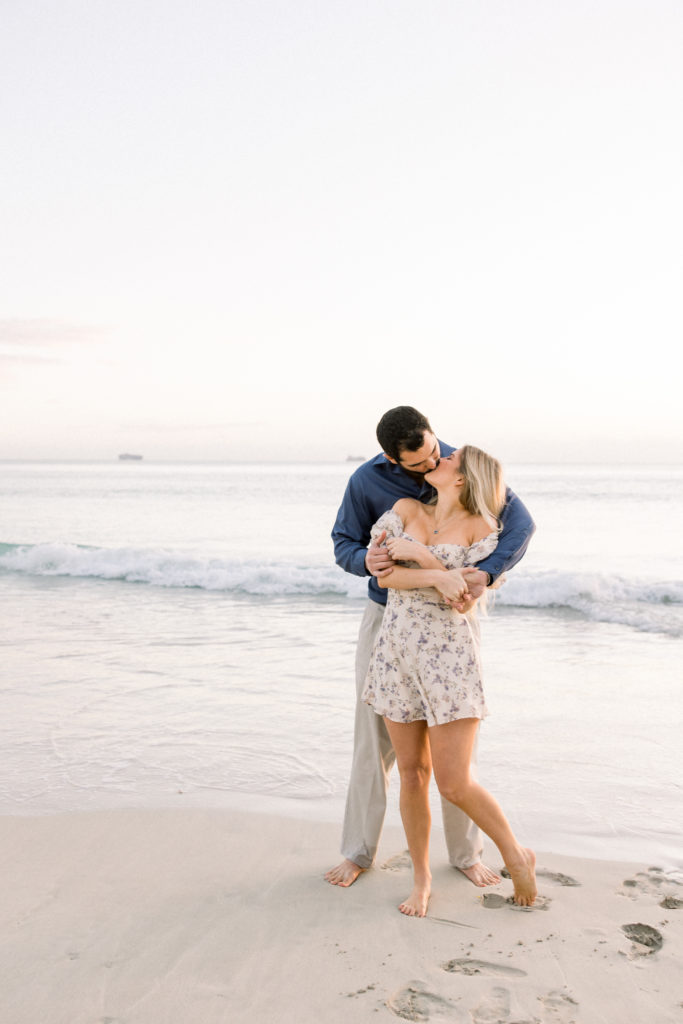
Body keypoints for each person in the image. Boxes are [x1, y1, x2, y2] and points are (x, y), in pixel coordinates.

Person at [325, 407, 535, 888]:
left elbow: (520, 526)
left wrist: (486, 572)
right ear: (391, 459)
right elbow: (344, 545)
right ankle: (359, 851)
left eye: (434, 454)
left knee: (455, 757)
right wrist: (368, 558)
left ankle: (465, 853)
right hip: (387, 619)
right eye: (417, 465)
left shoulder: (461, 466)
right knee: (374, 743)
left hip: (449, 633)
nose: (429, 466)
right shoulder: (368, 483)